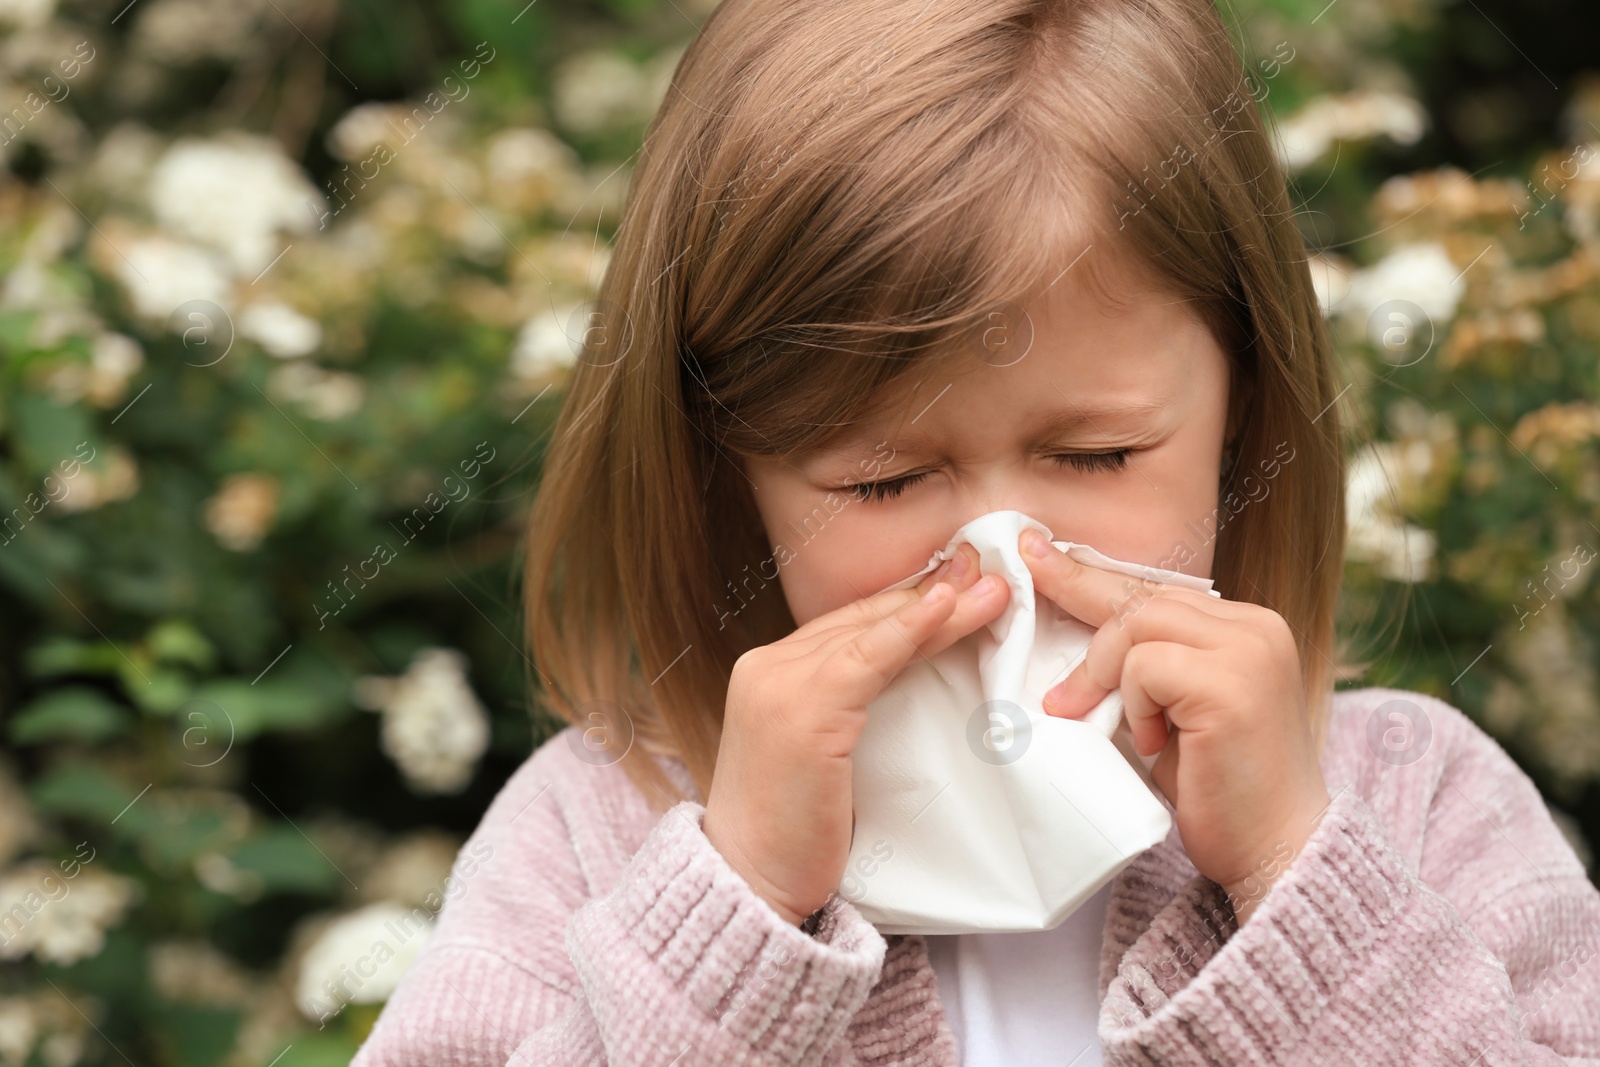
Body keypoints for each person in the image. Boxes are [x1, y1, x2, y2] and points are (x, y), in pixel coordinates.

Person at [349, 0, 1600, 1062]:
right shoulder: (601, 825)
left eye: (1095, 455)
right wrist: (730, 924)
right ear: (726, 469)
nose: (1000, 563)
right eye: (884, 479)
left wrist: (1294, 875)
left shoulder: (1414, 799)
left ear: (1244, 408)